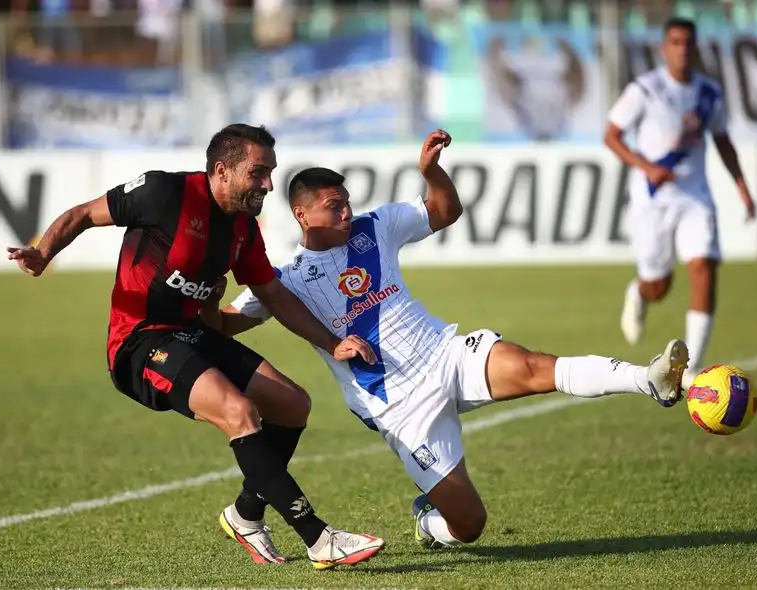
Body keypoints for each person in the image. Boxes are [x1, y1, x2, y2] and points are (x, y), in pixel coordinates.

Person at [205, 129, 690, 550]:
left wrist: (432, 172)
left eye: (347, 201)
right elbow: (224, 323)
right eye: (335, 207)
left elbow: (444, 210)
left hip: (445, 352)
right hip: (399, 406)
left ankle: (648, 380)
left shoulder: (378, 227)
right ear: (302, 214)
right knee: (470, 523)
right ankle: (430, 523)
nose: (348, 212)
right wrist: (201, 280)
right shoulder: (283, 282)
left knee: (533, 365)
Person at [6, 123, 386, 569]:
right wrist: (43, 252)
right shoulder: (163, 192)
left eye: (270, 173)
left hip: (192, 333)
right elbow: (85, 214)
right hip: (139, 340)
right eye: (258, 172)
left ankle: (246, 515)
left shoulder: (244, 226)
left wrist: (332, 342)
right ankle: (319, 539)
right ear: (222, 170)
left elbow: (274, 296)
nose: (267, 184)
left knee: (292, 404)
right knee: (239, 413)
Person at [603, 17, 757, 388]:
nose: (682, 49)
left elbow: (722, 141)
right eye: (674, 42)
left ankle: (690, 371)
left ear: (696, 48)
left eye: (688, 42)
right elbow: (611, 135)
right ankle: (638, 292)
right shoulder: (645, 89)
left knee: (704, 266)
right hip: (653, 201)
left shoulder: (709, 94)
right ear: (663, 48)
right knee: (659, 286)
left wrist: (742, 188)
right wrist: (646, 167)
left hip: (695, 197)